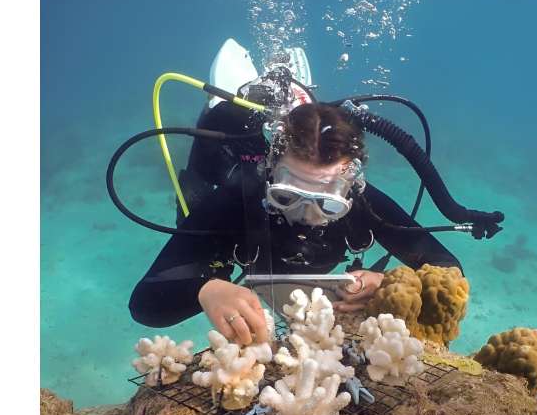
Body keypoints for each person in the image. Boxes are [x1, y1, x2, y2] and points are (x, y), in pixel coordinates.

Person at [129, 100, 465, 345]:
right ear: (271, 171)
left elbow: (447, 267)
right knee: (193, 198)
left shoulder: (364, 202)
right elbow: (145, 305)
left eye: (328, 204)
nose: (307, 215)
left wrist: (388, 282)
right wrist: (206, 289)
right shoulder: (236, 199)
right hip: (222, 200)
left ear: (352, 186)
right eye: (287, 197)